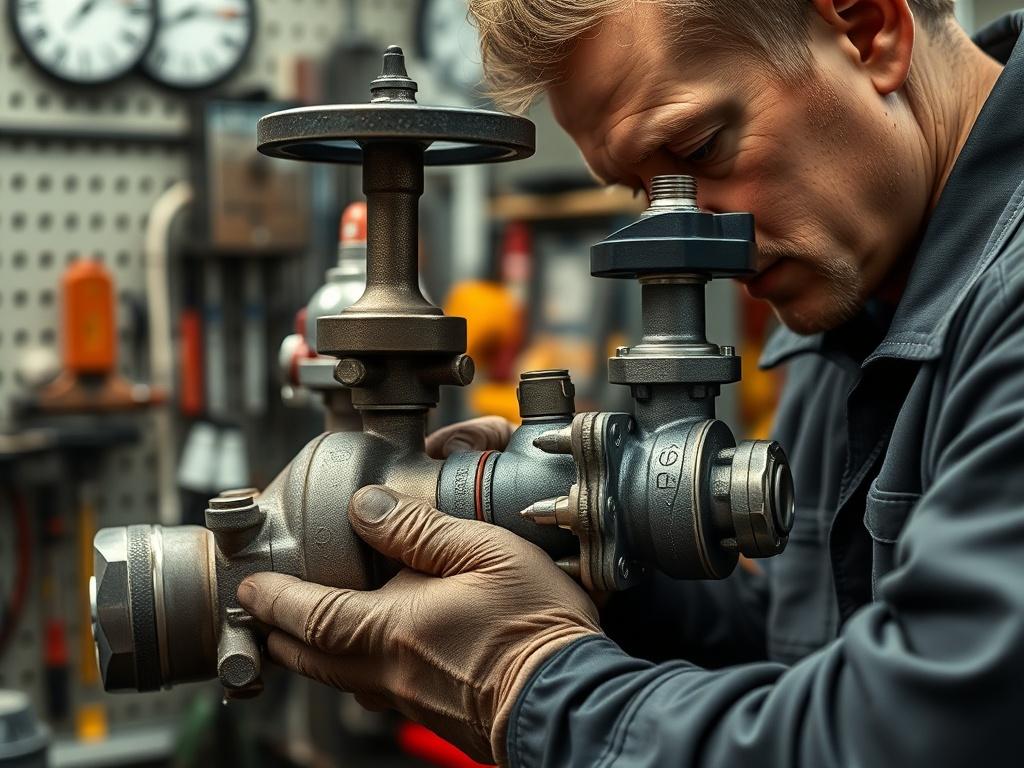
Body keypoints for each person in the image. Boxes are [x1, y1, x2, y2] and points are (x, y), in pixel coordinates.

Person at [237, 2, 1024, 765]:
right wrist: (580, 548)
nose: (680, 230)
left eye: (701, 148)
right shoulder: (854, 296)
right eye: (640, 193)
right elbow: (800, 646)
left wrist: (528, 680)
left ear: (868, 29)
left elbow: (911, 733)